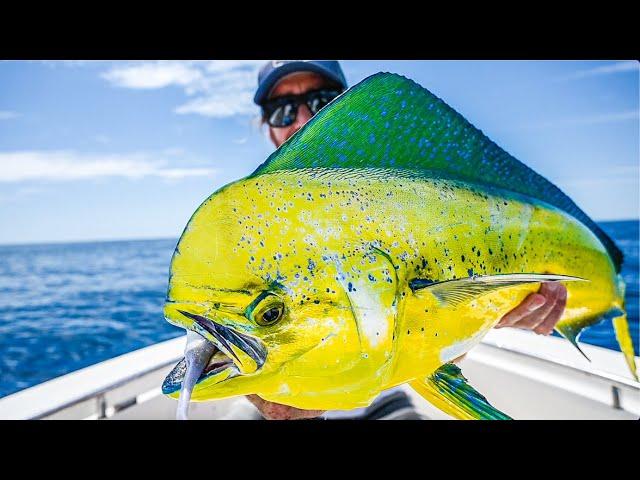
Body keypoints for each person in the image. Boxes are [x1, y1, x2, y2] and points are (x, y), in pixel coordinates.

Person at [240, 60, 568, 420]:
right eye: (282, 111)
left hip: (386, 396)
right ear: (268, 127)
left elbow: (429, 315)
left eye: (321, 102)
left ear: (348, 106)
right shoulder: (239, 219)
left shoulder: (404, 195)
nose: (303, 120)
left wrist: (493, 311)